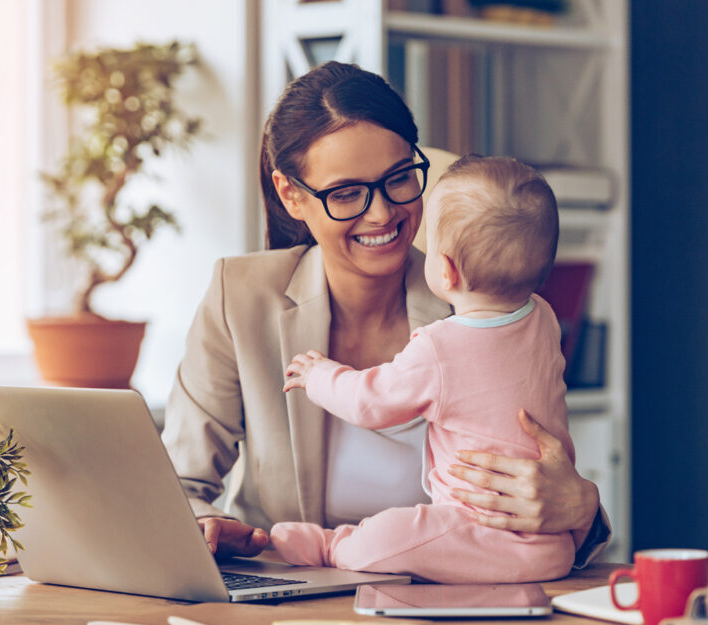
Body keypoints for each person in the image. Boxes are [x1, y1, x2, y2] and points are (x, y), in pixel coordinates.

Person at [160, 60, 609, 566]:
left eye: (398, 179)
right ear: (291, 195)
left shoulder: (483, 300)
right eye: (347, 193)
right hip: (291, 595)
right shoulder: (239, 296)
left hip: (447, 596)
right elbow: (176, 484)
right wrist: (205, 527)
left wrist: (582, 507)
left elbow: (546, 470)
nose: (382, 213)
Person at [270, 155, 575, 583]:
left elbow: (370, 402)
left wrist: (318, 375)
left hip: (477, 529)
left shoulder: (440, 346)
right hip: (552, 545)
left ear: (445, 270)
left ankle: (332, 545)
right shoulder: (543, 319)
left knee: (394, 532)